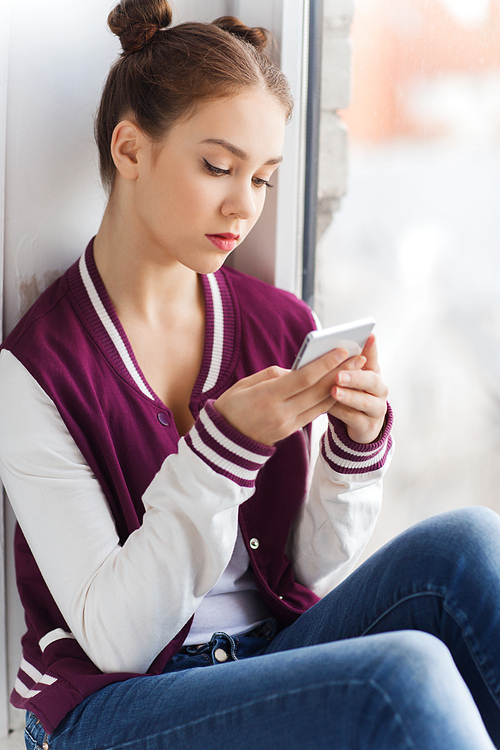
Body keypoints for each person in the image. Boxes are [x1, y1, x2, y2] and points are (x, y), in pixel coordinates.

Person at [0, 2, 499, 748]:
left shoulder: (274, 323)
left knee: (467, 545)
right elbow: (116, 641)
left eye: (263, 178)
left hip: (266, 655)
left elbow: (302, 563)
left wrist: (351, 452)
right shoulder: (37, 371)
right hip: (117, 706)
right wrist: (221, 451)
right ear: (131, 151)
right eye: (217, 166)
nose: (244, 207)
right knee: (402, 676)